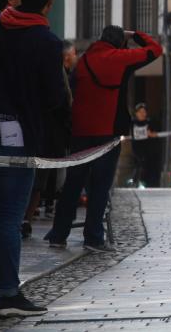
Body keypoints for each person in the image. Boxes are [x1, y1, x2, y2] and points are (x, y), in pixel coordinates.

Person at [48, 24, 162, 252]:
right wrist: (134, 35)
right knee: (100, 186)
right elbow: (155, 49)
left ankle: (58, 234)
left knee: (73, 183)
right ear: (120, 42)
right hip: (107, 132)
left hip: (80, 131)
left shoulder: (83, 60)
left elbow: (71, 93)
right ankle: (93, 238)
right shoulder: (122, 58)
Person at [0, 0, 66, 317]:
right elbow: (54, 98)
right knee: (8, 216)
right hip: (18, 138)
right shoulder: (47, 42)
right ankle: (8, 292)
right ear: (49, 3)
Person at [129, 103, 157, 188]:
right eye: (140, 112)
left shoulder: (148, 122)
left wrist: (152, 133)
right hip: (136, 146)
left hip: (146, 145)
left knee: (143, 164)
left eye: (144, 112)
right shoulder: (132, 122)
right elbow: (129, 132)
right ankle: (136, 180)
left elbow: (153, 132)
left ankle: (137, 180)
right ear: (136, 113)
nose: (142, 114)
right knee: (139, 162)